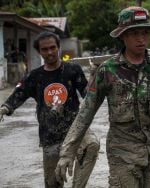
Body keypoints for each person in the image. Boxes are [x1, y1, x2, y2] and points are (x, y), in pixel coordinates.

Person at [55, 6, 150, 187]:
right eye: (135, 33)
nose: (141, 39)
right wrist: (67, 152)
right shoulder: (107, 70)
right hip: (123, 154)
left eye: (145, 33)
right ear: (122, 36)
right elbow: (86, 113)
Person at [0, 31, 100, 188]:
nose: (50, 52)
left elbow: (88, 96)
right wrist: (4, 109)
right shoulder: (34, 76)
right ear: (39, 52)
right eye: (45, 49)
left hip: (74, 131)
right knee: (53, 183)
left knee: (92, 145)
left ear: (58, 48)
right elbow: (17, 95)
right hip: (50, 136)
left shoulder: (72, 70)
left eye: (53, 47)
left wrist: (95, 78)